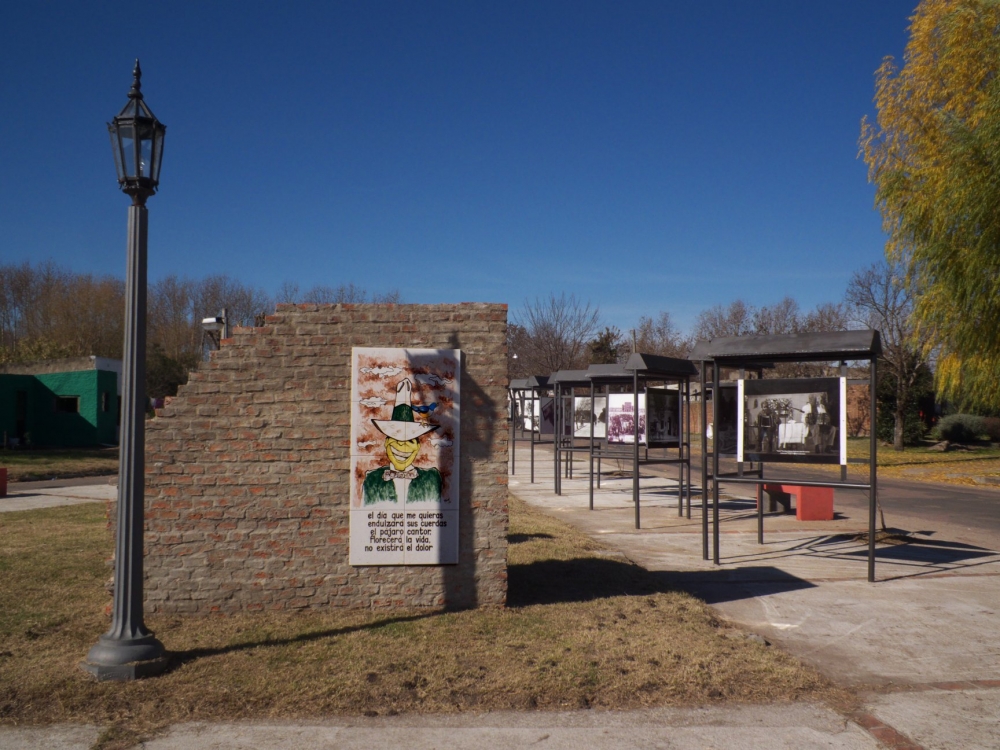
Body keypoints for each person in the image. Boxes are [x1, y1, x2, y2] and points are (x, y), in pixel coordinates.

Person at [363, 379, 443, 504]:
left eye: (409, 441)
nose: (401, 446)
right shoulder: (372, 479)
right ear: (386, 443)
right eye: (395, 439)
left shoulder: (432, 479)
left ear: (417, 447)